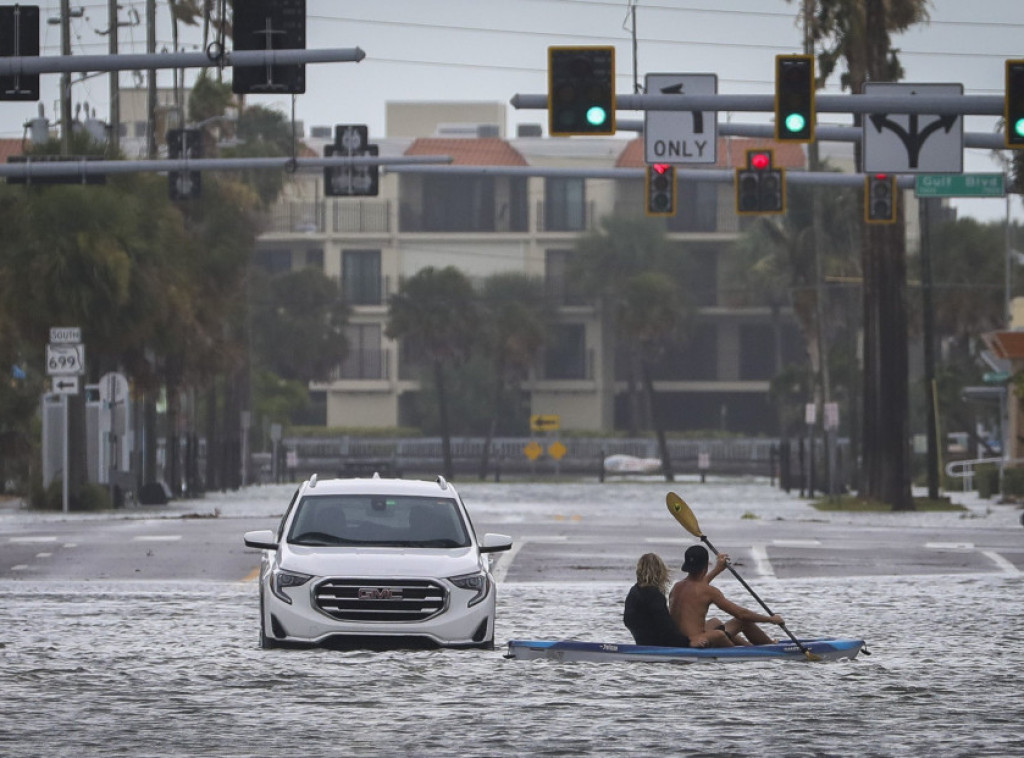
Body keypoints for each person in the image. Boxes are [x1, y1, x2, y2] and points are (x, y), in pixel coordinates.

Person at [669, 544, 784, 648]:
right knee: (743, 621)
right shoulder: (709, 591)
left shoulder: (677, 586)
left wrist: (718, 569)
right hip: (697, 641)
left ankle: (749, 647)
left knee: (715, 622)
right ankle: (768, 647)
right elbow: (741, 614)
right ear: (706, 565)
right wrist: (771, 619)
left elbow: (698, 587)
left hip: (680, 639)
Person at [623, 553, 690, 647]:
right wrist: (689, 642)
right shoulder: (654, 596)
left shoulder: (633, 591)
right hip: (660, 645)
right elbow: (667, 630)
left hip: (642, 643)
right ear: (660, 572)